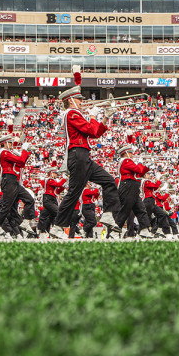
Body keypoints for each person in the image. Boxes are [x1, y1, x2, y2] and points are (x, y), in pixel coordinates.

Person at [51, 66, 122, 239]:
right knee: (74, 193)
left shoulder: (77, 114)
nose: (83, 102)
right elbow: (91, 129)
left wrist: (105, 118)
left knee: (109, 181)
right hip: (77, 155)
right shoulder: (71, 113)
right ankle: (58, 226)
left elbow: (96, 133)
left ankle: (107, 214)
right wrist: (92, 116)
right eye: (79, 100)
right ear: (71, 101)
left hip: (84, 156)